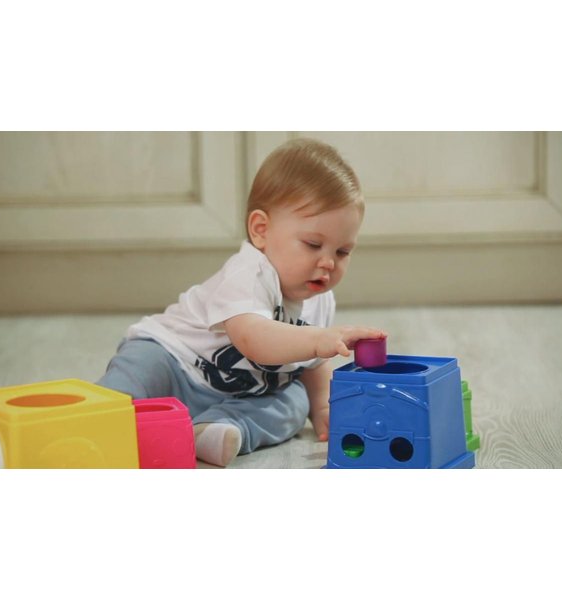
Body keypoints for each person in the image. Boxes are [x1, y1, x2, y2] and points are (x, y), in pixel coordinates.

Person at [97, 138, 387, 467]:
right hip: (174, 363)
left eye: (342, 251)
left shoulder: (320, 301)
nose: (329, 262)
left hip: (240, 394)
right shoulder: (248, 274)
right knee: (143, 366)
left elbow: (312, 364)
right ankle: (102, 413)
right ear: (261, 230)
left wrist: (321, 406)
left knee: (295, 402)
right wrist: (319, 339)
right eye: (312, 244)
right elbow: (253, 339)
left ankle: (216, 428)